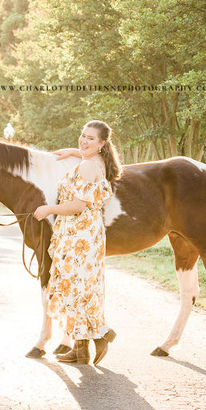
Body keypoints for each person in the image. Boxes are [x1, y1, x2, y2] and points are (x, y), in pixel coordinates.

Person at [33, 120, 122, 365]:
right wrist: (74, 151)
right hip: (88, 231)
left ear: (102, 143)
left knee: (75, 286)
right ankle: (83, 348)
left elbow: (77, 206)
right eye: (82, 135)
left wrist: (47, 209)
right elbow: (89, 159)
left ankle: (101, 334)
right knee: (82, 288)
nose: (83, 140)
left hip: (78, 234)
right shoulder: (99, 161)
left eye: (90, 138)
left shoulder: (87, 167)